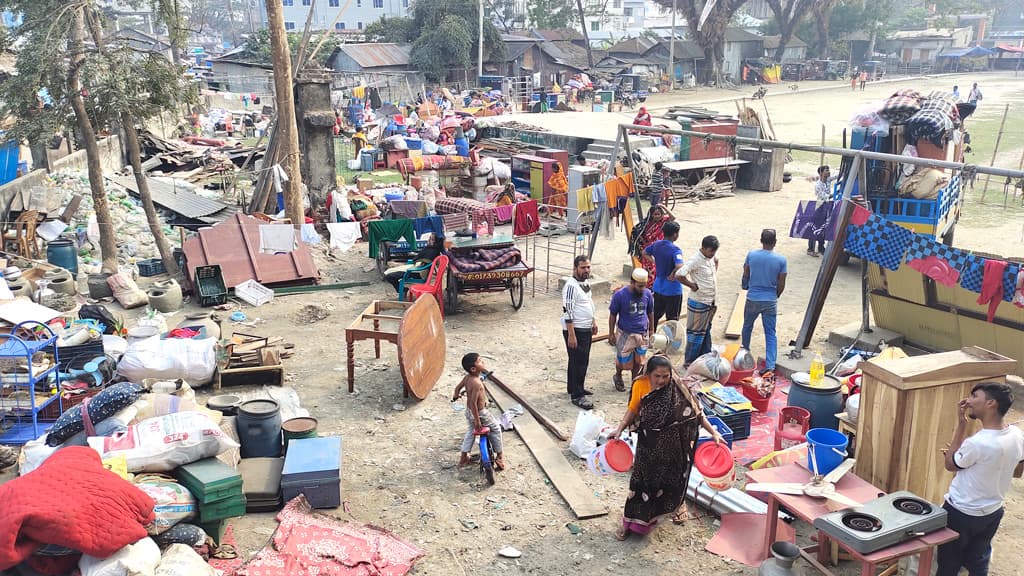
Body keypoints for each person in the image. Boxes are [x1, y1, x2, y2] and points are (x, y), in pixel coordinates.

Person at [609, 355, 725, 540]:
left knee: (668, 482)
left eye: (666, 376)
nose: (662, 381)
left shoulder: (677, 387)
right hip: (648, 446)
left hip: (673, 448)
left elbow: (695, 413)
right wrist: (619, 429)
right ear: (648, 374)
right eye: (657, 376)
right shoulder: (641, 386)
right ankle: (629, 523)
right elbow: (632, 411)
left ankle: (671, 510)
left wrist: (714, 433)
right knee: (640, 485)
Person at [937, 382, 1023, 576]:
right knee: (978, 562)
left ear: (991, 403)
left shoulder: (977, 443)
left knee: (948, 565)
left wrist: (961, 425)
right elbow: (1017, 472)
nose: (969, 401)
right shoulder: (1018, 435)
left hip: (960, 513)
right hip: (992, 512)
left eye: (975, 396)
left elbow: (950, 464)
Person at [741, 229, 787, 381]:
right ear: (775, 242)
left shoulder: (752, 255)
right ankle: (770, 365)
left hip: (753, 297)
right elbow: (781, 282)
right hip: (770, 300)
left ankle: (745, 355)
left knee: (747, 326)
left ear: (761, 240)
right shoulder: (781, 260)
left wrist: (746, 286)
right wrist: (776, 295)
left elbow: (746, 273)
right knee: (770, 333)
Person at [453, 353, 505, 471]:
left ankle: (464, 456)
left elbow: (457, 388)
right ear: (473, 368)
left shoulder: (467, 378)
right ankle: (500, 456)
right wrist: (477, 421)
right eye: (480, 361)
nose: (483, 363)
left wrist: (456, 395)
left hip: (468, 412)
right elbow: (473, 403)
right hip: (480, 413)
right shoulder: (476, 383)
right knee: (496, 429)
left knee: (471, 432)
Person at [608, 268, 655, 392]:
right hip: (625, 333)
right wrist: (611, 333)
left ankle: (635, 383)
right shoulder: (620, 295)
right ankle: (618, 375)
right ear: (632, 282)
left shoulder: (647, 294)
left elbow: (650, 312)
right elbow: (613, 314)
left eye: (644, 286)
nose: (642, 289)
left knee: (639, 361)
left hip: (642, 333)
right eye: (639, 286)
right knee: (623, 361)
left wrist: (651, 330)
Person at [563, 255, 598, 410]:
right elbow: (567, 312)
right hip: (576, 330)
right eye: (583, 267)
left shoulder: (584, 283)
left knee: (576, 360)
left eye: (588, 267)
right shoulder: (571, 286)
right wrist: (571, 334)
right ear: (575, 268)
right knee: (580, 362)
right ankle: (577, 395)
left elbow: (588, 302)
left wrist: (593, 321)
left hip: (586, 327)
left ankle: (573, 387)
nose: (586, 270)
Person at [679, 235, 720, 365]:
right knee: (695, 334)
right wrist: (692, 285)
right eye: (711, 251)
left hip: (710, 302)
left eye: (714, 251)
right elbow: (679, 274)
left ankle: (705, 358)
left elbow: (716, 261)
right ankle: (690, 362)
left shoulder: (711, 258)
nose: (712, 254)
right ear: (703, 248)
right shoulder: (695, 260)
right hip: (699, 302)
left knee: (706, 331)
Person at [643, 220, 685, 330]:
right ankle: (668, 342)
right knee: (672, 320)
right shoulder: (675, 250)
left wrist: (654, 261)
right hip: (672, 289)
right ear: (675, 234)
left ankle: (651, 338)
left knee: (654, 315)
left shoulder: (656, 244)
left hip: (658, 286)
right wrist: (672, 274)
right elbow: (680, 266)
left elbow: (644, 253)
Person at [630, 204, 675, 290]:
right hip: (648, 250)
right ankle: (648, 288)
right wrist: (644, 243)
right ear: (651, 214)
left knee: (658, 270)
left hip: (660, 250)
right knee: (648, 270)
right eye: (655, 214)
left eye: (659, 214)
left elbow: (673, 217)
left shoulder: (663, 222)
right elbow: (638, 233)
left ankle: (655, 288)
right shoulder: (647, 224)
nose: (657, 216)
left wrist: (663, 206)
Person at [807, 165, 836, 257]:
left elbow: (838, 176)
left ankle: (821, 247)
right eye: (826, 171)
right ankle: (810, 249)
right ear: (821, 173)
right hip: (819, 207)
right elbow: (825, 196)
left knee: (823, 227)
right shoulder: (818, 185)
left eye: (828, 170)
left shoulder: (828, 180)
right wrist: (835, 194)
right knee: (815, 227)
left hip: (826, 206)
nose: (829, 172)